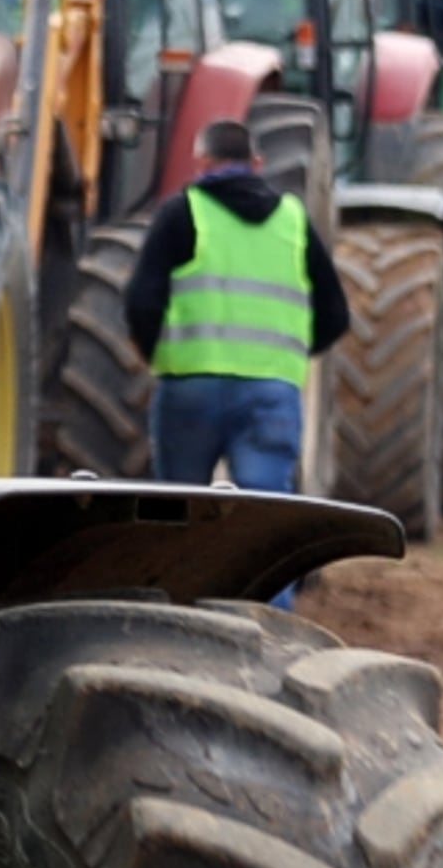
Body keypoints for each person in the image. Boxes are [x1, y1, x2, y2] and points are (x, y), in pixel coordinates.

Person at [122, 118, 351, 610]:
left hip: (189, 390)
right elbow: (335, 314)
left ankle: (175, 631)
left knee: (176, 520)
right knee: (265, 525)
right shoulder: (293, 220)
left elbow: (141, 301)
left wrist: (156, 354)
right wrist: (283, 354)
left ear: (200, 162)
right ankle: (272, 638)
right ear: (258, 164)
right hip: (271, 394)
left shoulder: (181, 212)